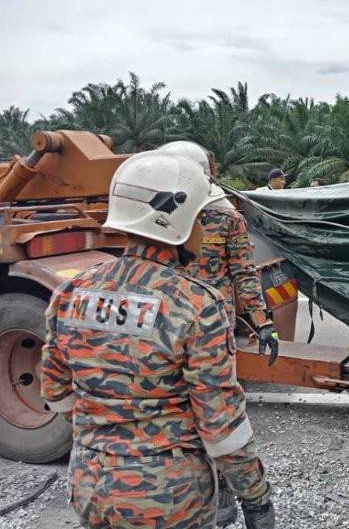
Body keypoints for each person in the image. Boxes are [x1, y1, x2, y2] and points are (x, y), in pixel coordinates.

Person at [40, 152, 275, 529]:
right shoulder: (195, 304)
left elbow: (54, 392)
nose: (204, 228)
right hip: (169, 499)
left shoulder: (71, 292)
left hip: (90, 488)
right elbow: (221, 425)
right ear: (179, 220)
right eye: (200, 217)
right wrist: (256, 496)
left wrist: (106, 429)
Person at [159, 140, 278, 526]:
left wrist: (262, 322)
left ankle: (234, 494)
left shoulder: (226, 218)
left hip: (214, 330)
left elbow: (244, 273)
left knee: (221, 415)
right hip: (171, 331)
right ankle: (206, 492)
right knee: (181, 412)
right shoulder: (162, 215)